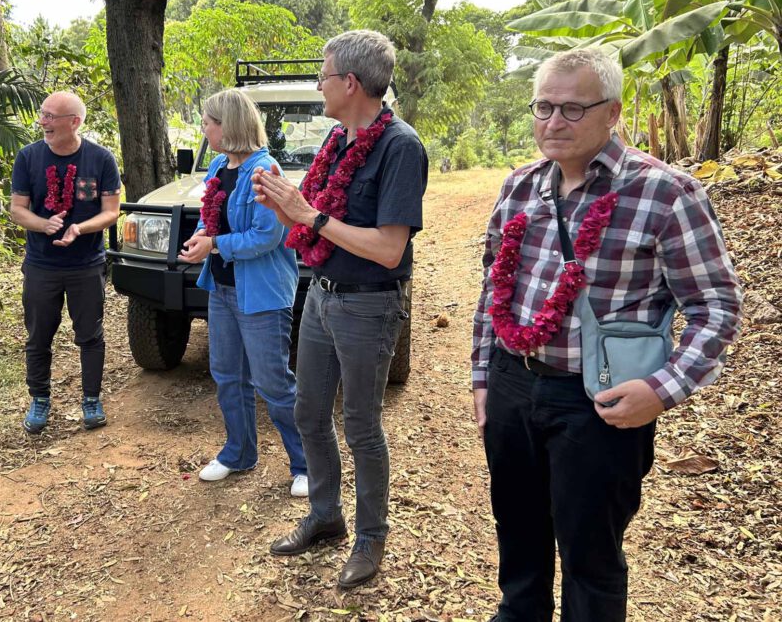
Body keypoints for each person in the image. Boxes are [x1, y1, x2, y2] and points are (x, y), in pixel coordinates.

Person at [470, 48, 742, 622]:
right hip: (514, 385)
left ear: (613, 111)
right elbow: (493, 287)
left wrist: (663, 389)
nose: (553, 122)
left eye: (572, 109)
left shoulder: (666, 193)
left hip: (599, 402)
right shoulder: (520, 186)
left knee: (590, 557)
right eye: (543, 107)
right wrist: (483, 378)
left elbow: (716, 306)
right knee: (517, 536)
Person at [253, 30, 428, 588]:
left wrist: (310, 217)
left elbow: (388, 248)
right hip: (321, 296)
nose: (320, 86)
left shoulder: (400, 147)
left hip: (368, 306)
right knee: (309, 412)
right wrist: (284, 208)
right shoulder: (336, 140)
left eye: (324, 76)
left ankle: (371, 539)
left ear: (350, 83)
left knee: (360, 424)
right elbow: (311, 225)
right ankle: (326, 516)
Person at [177, 89, 308, 497]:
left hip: (262, 294)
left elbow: (267, 236)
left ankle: (306, 464)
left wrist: (214, 246)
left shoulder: (264, 171)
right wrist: (201, 238)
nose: (204, 129)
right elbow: (209, 217)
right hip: (223, 288)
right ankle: (239, 452)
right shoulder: (218, 165)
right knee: (228, 375)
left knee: (273, 382)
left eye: (207, 122)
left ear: (227, 125)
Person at [10, 92, 120, 434]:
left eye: (49, 116)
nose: (42, 121)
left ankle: (91, 400)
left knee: (90, 335)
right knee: (39, 335)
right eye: (42, 114)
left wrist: (79, 228)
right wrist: (44, 224)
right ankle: (39, 399)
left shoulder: (101, 159)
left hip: (86, 263)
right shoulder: (28, 158)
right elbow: (17, 209)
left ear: (74, 122)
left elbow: (111, 212)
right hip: (42, 264)